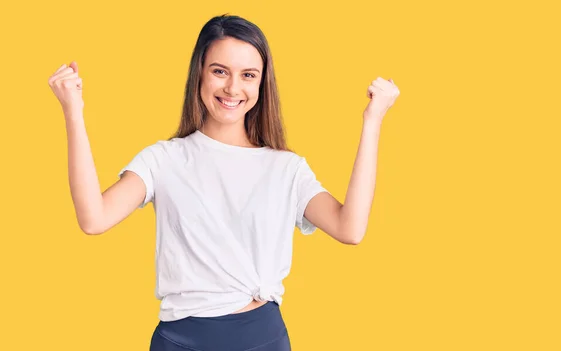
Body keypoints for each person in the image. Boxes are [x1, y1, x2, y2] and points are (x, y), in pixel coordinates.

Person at [48, 13, 399, 351]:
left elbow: (349, 228)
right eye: (220, 71)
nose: (233, 87)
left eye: (248, 75)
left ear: (262, 83)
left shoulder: (286, 169)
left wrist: (373, 122)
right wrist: (73, 111)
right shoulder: (164, 159)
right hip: (180, 339)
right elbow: (94, 218)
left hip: (262, 338)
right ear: (199, 74)